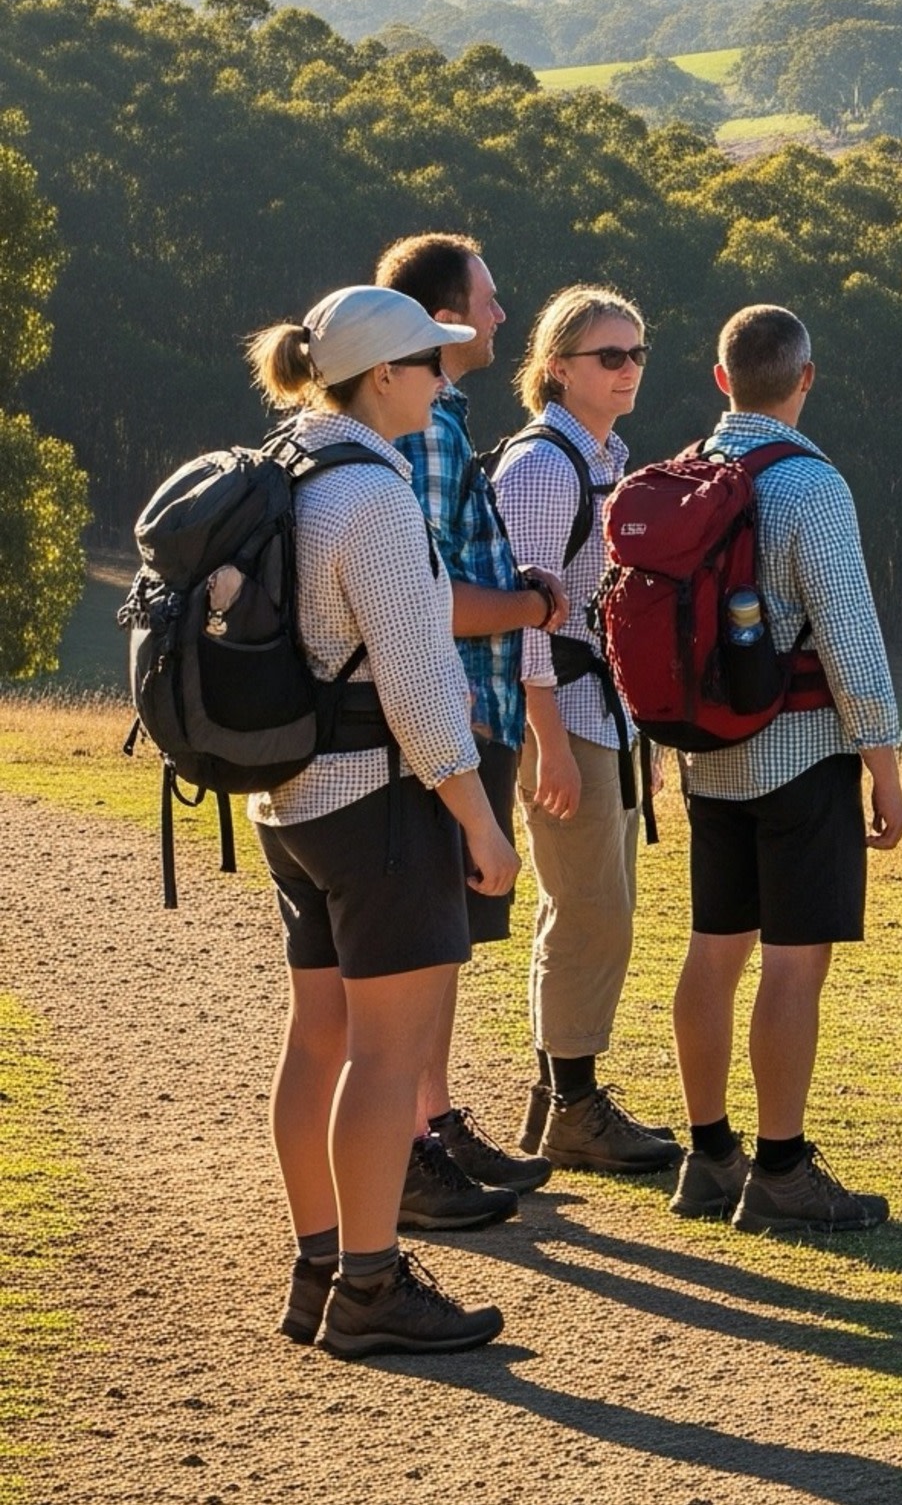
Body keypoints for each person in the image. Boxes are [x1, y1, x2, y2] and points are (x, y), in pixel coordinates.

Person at [247, 285, 519, 1356]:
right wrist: (480, 827)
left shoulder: (295, 464)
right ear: (386, 378)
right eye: (431, 361)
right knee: (386, 1059)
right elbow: (413, 685)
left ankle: (320, 1264)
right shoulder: (375, 496)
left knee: (317, 1041)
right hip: (379, 808)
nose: (444, 375)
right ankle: (371, 1285)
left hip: (294, 801)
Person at [668, 304, 902, 1234]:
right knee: (794, 965)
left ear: (722, 377)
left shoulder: (689, 470)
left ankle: (708, 1154)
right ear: (805, 377)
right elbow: (849, 636)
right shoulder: (811, 485)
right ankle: (781, 1170)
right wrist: (883, 766)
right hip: (802, 753)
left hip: (706, 758)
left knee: (713, 950)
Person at [375, 232, 561, 1222]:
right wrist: (530, 607)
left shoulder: (438, 417)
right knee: (422, 942)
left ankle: (433, 1123)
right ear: (445, 314)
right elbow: (428, 596)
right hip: (442, 710)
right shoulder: (430, 430)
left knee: (445, 940)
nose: (499, 315)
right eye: (486, 300)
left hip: (458, 711)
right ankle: (410, 1149)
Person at [495, 285, 682, 1175]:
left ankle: (557, 1100)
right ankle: (571, 1105)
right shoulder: (543, 468)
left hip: (600, 712)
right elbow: (525, 615)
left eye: (639, 352)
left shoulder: (603, 459)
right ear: (558, 366)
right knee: (590, 909)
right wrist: (553, 741)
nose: (630, 368)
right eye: (611, 355)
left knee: (594, 905)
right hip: (560, 711)